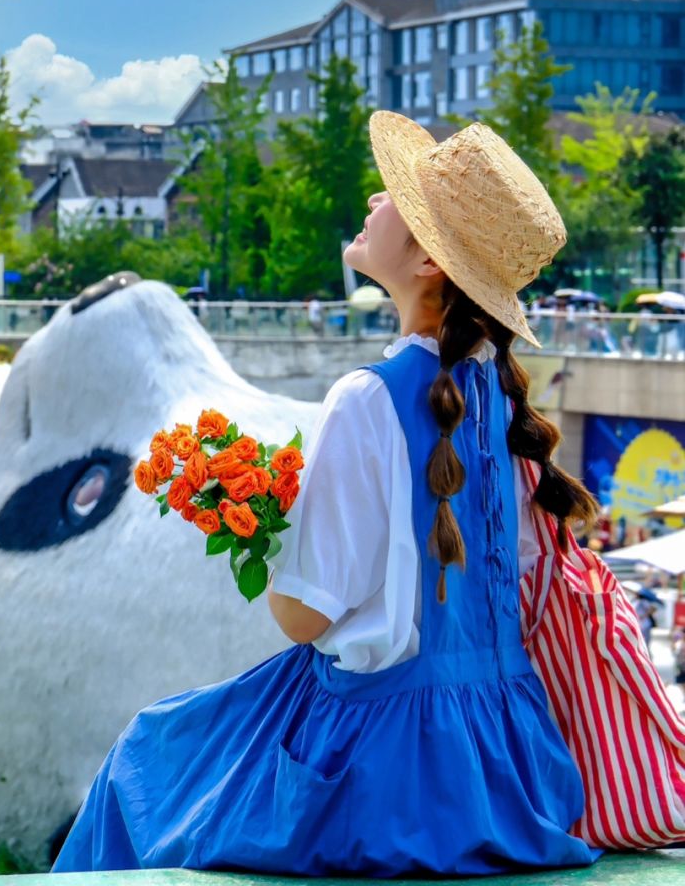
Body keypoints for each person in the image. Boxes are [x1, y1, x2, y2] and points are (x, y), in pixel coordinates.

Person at [54, 112, 601, 877]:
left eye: (397, 198)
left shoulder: (366, 398)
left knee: (145, 760)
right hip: (508, 763)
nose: (378, 196)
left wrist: (259, 533)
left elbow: (307, 617)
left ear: (428, 265)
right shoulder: (500, 401)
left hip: (380, 770)